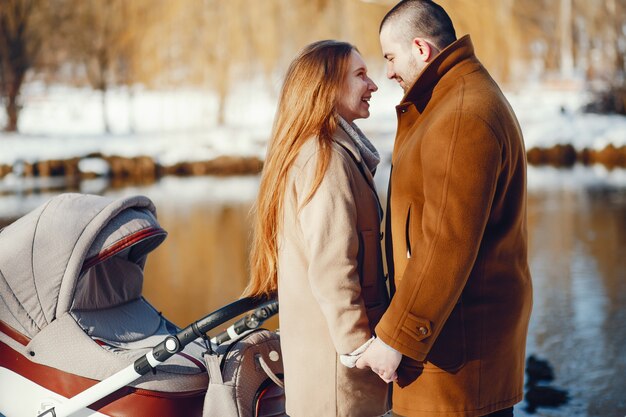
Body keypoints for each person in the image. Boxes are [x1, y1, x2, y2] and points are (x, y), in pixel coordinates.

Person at [355, 1, 533, 417]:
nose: (389, 73)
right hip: (452, 346)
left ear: (421, 48)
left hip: (454, 360)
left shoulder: (460, 114)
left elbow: (444, 242)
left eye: (390, 57)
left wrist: (396, 339)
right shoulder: (453, 99)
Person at [243, 40, 390, 417]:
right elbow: (332, 268)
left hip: (327, 369)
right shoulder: (326, 160)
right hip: (337, 377)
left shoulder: (326, 151)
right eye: (360, 75)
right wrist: (361, 348)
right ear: (327, 88)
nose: (373, 85)